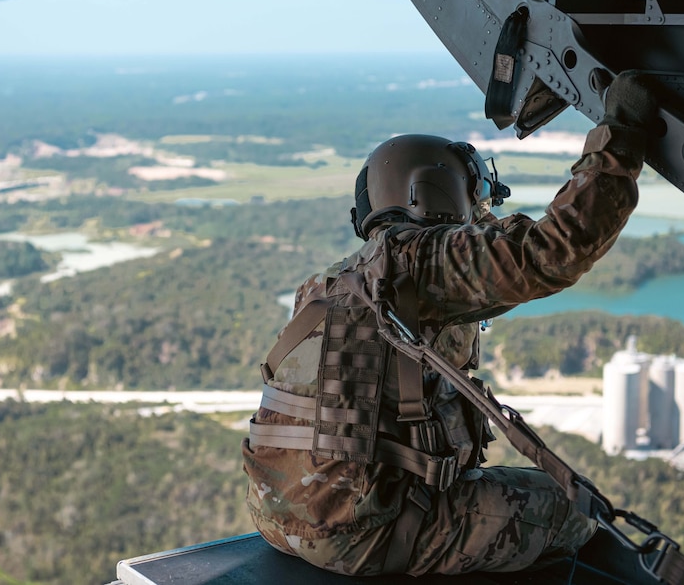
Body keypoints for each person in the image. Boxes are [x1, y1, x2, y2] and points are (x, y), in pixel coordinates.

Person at [242, 71, 662, 576]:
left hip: (280, 521)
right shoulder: (422, 265)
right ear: (437, 191)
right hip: (366, 533)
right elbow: (557, 249)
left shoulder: (326, 285)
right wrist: (622, 130)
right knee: (568, 509)